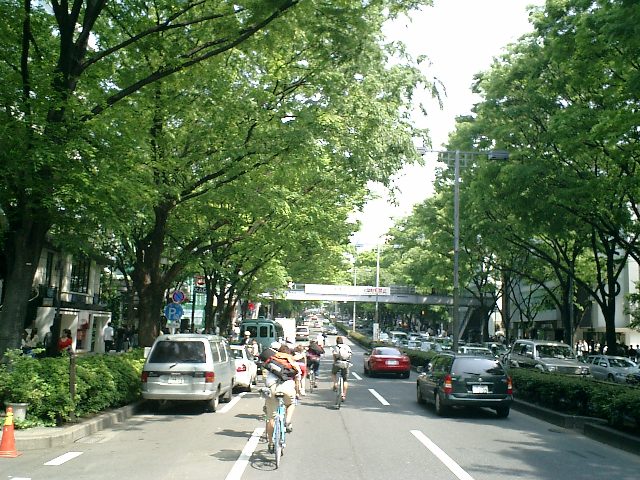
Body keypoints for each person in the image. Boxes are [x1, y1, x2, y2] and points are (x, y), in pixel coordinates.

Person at [262, 343, 301, 453]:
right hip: (287, 388)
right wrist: (297, 392)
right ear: (289, 353)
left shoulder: (272, 360)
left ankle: (270, 443)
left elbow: (265, 376)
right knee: (291, 403)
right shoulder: (292, 361)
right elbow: (297, 379)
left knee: (271, 417)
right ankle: (287, 421)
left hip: (272, 388)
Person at [331, 336, 352, 401]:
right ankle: (343, 395)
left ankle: (335, 384)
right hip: (346, 363)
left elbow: (334, 356)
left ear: (336, 342)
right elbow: (350, 355)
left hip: (338, 362)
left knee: (333, 373)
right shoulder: (347, 347)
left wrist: (334, 362)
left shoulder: (336, 347)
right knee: (345, 380)